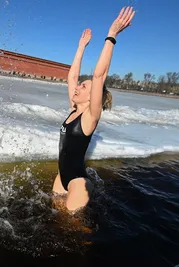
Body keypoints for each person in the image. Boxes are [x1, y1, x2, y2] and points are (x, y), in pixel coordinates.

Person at [52, 6, 136, 212]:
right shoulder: (74, 108)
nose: (78, 86)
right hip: (61, 178)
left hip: (77, 183)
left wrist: (112, 35)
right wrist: (81, 47)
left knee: (73, 233)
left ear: (93, 97)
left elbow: (99, 76)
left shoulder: (90, 116)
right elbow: (72, 77)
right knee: (55, 220)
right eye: (81, 85)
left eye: (84, 86)